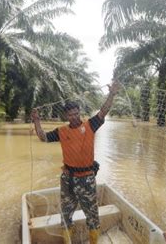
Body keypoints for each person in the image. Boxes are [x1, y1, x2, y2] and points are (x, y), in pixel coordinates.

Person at [31, 81, 120, 244]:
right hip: (67, 179)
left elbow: (103, 111)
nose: (73, 117)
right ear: (66, 116)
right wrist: (36, 120)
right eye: (70, 115)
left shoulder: (90, 125)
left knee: (92, 215)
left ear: (79, 112)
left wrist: (112, 94)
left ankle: (94, 241)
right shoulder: (62, 131)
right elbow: (42, 137)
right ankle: (67, 240)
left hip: (86, 179)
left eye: (75, 113)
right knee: (65, 215)